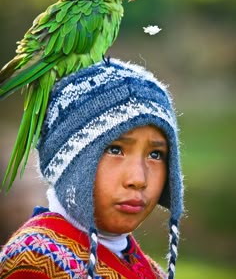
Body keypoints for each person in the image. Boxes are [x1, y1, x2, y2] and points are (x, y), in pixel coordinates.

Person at [0, 58, 184, 279]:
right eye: (115, 150)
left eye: (155, 155)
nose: (138, 178)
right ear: (68, 162)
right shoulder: (35, 262)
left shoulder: (151, 271)